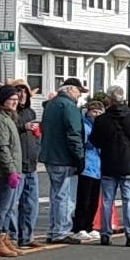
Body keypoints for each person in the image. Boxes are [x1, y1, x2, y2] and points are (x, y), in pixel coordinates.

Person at [89, 85, 130, 247]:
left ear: (110, 99)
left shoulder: (102, 120)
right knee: (128, 200)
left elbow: (94, 141)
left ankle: (105, 233)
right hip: (129, 163)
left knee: (107, 201)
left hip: (108, 163)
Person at [39, 77, 87, 244]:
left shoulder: (51, 105)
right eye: (79, 91)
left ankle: (54, 229)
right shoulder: (69, 106)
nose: (79, 95)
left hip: (50, 155)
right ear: (70, 89)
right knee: (63, 195)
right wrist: (79, 157)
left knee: (55, 194)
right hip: (63, 156)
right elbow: (74, 133)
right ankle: (61, 231)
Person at [0, 84, 24, 257]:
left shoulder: (9, 118)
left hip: (13, 168)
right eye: (11, 99)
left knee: (9, 207)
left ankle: (5, 236)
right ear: (3, 101)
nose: (15, 102)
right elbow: (2, 148)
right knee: (3, 206)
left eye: (17, 99)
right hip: (4, 171)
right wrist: (10, 171)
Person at [8, 79, 44, 249]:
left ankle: (27, 236)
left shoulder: (30, 112)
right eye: (18, 91)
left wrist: (38, 143)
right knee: (12, 204)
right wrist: (24, 127)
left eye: (24, 91)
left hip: (31, 165)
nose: (22, 95)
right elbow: (7, 132)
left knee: (31, 204)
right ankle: (12, 237)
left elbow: (36, 135)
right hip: (17, 166)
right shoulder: (9, 113)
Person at [71, 100, 105, 239]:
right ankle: (79, 226)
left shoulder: (102, 126)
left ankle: (89, 225)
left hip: (98, 166)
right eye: (94, 112)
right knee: (83, 198)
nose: (96, 115)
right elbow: (86, 143)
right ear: (88, 112)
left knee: (94, 199)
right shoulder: (84, 125)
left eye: (99, 112)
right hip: (87, 165)